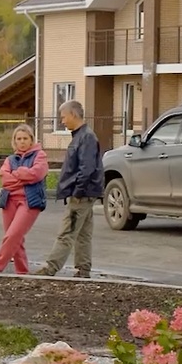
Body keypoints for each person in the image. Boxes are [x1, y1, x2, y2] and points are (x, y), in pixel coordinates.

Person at [34, 99, 103, 279]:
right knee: (83, 233)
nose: (62, 121)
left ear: (73, 114)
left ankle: (51, 268)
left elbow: (86, 168)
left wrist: (78, 191)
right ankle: (83, 269)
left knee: (67, 232)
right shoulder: (83, 136)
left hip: (81, 194)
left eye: (63, 117)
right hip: (86, 193)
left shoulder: (85, 137)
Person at [0, 124, 48, 274]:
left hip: (29, 201)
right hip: (9, 200)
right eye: (19, 139)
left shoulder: (39, 155)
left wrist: (18, 173)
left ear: (31, 140)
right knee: (17, 239)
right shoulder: (10, 159)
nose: (22, 141)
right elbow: (4, 179)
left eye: (25, 138)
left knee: (13, 235)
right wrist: (23, 178)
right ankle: (22, 272)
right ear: (14, 141)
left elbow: (36, 174)